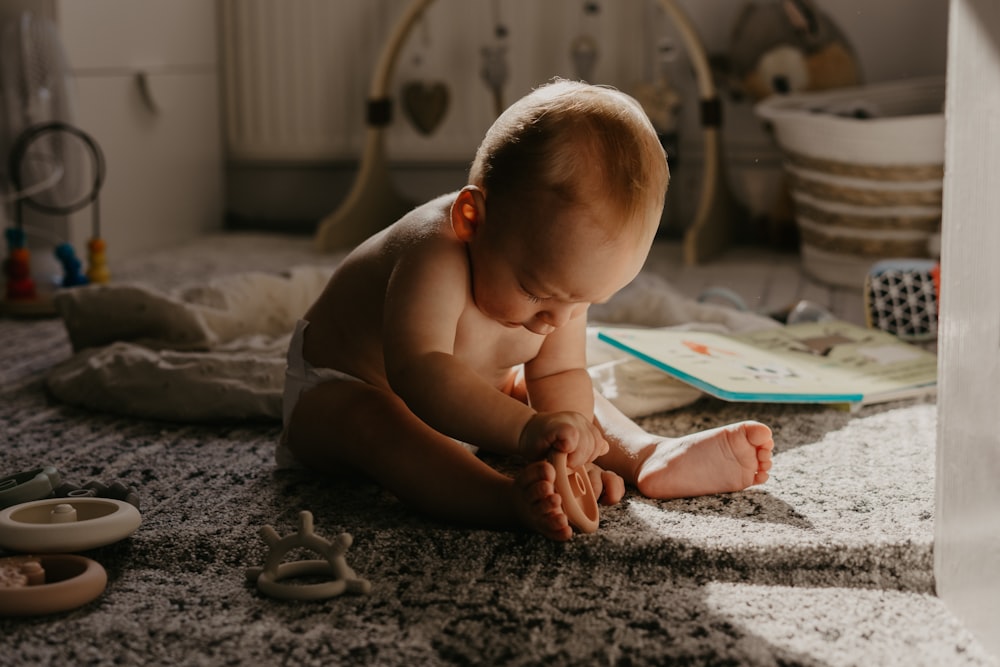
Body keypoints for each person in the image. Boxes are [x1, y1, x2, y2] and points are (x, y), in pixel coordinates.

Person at [280, 79, 773, 541]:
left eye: (582, 302)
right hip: (338, 395)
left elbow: (559, 373)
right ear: (472, 218)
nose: (556, 319)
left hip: (472, 397)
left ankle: (647, 453)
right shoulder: (433, 254)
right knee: (374, 420)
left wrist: (572, 451)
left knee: (549, 398)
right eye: (536, 292)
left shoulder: (558, 288)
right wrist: (524, 431)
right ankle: (497, 498)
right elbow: (418, 371)